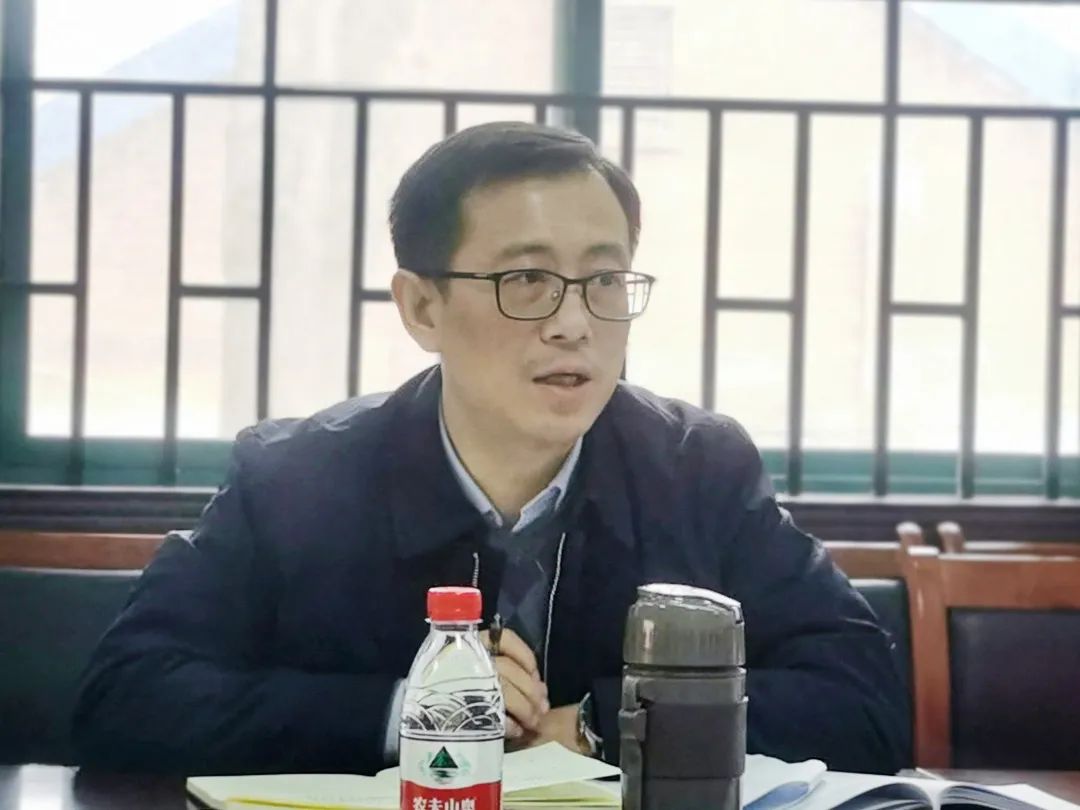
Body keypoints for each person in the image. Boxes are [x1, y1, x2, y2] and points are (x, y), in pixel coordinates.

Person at [73, 121, 910, 776]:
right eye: (527, 281)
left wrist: (607, 724)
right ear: (422, 308)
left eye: (605, 280)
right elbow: (125, 698)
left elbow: (863, 699)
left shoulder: (698, 468)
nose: (574, 323)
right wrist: (415, 713)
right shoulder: (296, 477)